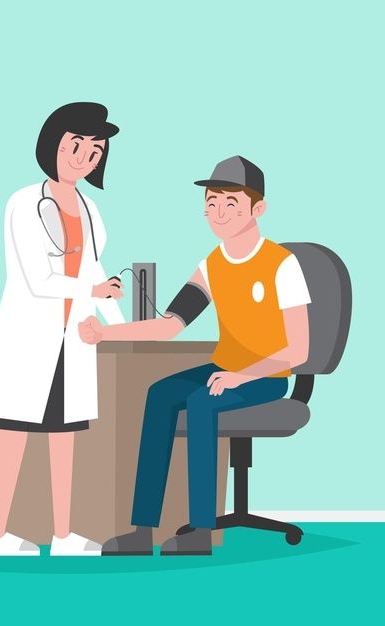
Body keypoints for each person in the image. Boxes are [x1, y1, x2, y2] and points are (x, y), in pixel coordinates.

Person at [79, 156, 311, 556]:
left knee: (203, 401)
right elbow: (169, 325)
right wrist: (104, 334)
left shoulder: (281, 265)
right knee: (160, 394)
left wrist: (242, 377)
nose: (217, 213)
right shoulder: (212, 265)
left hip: (269, 377)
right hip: (225, 368)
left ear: (258, 209)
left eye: (230, 204)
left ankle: (201, 530)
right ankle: (141, 529)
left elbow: (299, 349)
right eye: (211, 202)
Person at [0, 103, 124, 557]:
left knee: (63, 439)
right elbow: (37, 279)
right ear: (53, 144)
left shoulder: (91, 209)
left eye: (95, 150)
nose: (85, 156)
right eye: (75, 145)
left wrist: (120, 326)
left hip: (71, 341)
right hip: (29, 339)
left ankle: (63, 535)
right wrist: (93, 286)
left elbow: (96, 269)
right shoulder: (23, 203)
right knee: (13, 436)